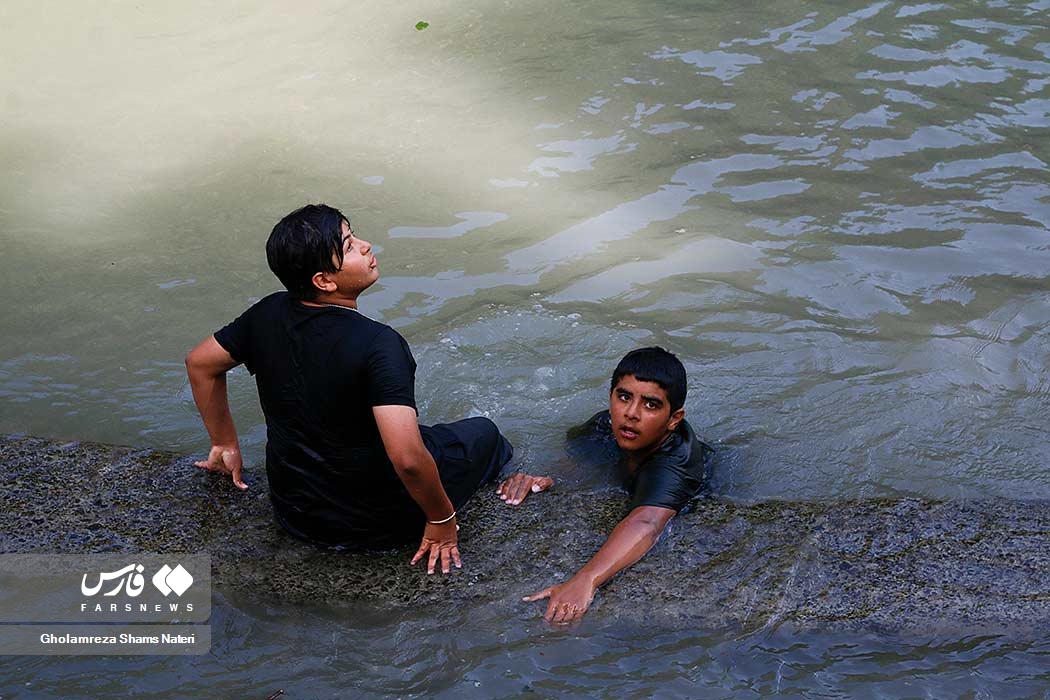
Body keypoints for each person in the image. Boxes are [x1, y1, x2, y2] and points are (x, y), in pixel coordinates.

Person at [185, 203, 516, 575]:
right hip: (373, 526)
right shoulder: (379, 344)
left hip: (294, 512)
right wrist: (441, 520)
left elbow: (200, 363)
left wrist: (225, 443)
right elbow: (406, 457)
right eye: (348, 245)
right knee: (485, 434)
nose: (365, 245)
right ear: (324, 280)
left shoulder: (267, 314)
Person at [498, 347, 712, 623]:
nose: (631, 414)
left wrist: (587, 579)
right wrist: (541, 478)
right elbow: (575, 466)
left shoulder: (675, 464)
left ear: (674, 419)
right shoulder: (605, 425)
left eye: (650, 405)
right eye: (624, 397)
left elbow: (647, 523)